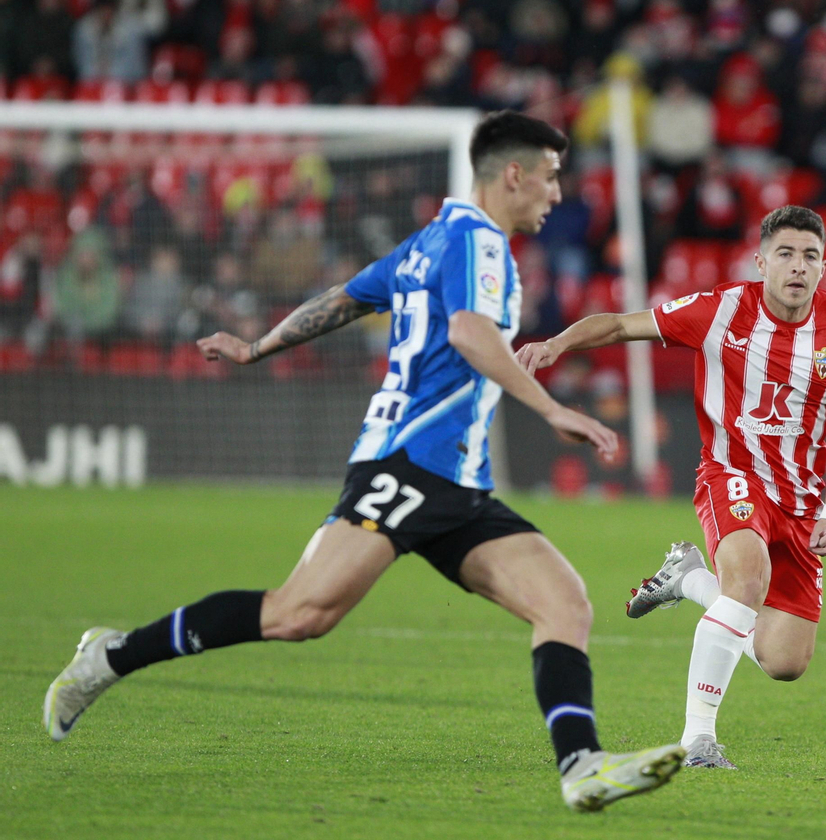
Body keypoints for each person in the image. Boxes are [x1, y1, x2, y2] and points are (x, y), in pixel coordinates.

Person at [42, 113, 684, 813]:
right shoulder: (479, 243)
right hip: (406, 466)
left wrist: (260, 347)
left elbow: (344, 299)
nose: (557, 195)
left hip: (456, 483)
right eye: (552, 178)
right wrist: (552, 408)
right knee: (299, 615)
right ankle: (111, 656)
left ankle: (582, 765)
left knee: (564, 602)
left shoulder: (428, 241)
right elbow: (470, 334)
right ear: (514, 174)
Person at [514, 205, 826, 770]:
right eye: (785, 254)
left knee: (784, 661)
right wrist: (556, 344)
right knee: (748, 577)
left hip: (802, 503)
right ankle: (697, 740)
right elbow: (618, 324)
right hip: (731, 475)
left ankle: (687, 580)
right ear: (761, 262)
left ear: (824, 264)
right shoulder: (722, 310)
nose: (798, 266)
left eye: (809, 255)